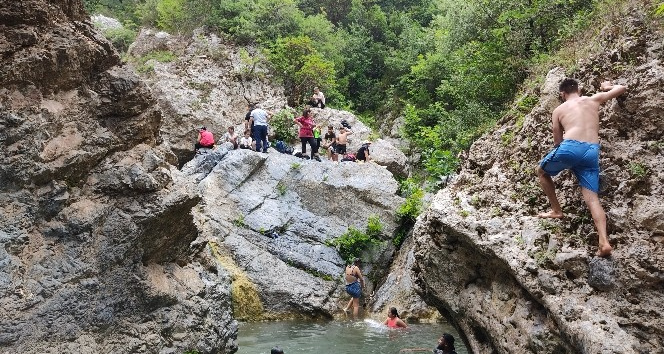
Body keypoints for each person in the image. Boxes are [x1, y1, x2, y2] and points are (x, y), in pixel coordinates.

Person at [536, 78, 626, 257]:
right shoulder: (593, 99)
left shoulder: (559, 109)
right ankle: (604, 242)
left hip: (571, 147)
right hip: (592, 151)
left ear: (562, 94)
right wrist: (607, 86)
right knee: (592, 199)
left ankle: (556, 210)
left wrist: (565, 157)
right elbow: (622, 87)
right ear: (579, 89)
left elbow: (557, 141)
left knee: (541, 172)